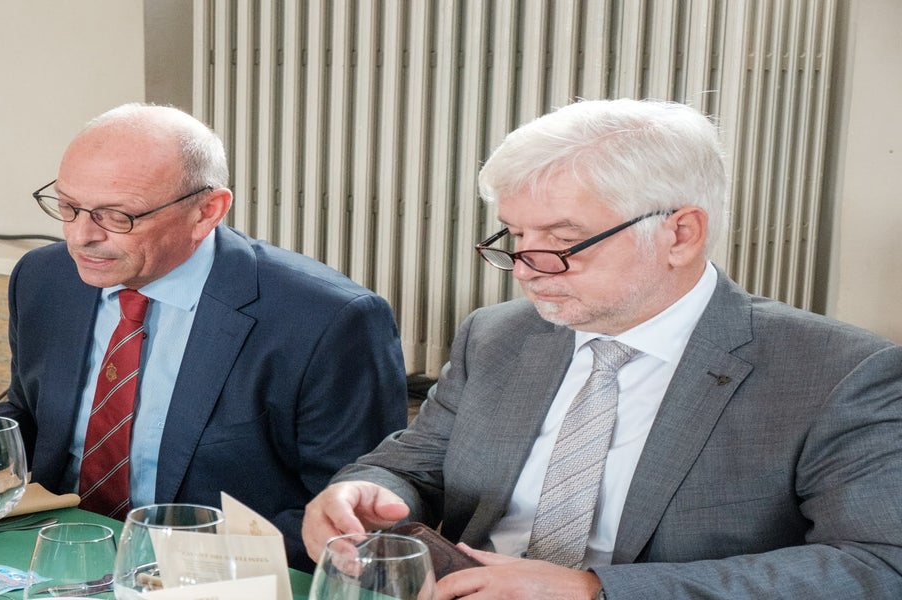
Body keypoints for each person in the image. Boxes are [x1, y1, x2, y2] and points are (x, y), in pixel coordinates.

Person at [302, 98, 902, 599]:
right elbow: (412, 466)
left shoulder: (839, 373)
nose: (525, 269)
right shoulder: (498, 335)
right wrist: (368, 492)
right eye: (516, 235)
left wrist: (594, 590)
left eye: (562, 241)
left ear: (680, 234)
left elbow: (877, 565)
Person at [0, 103, 409, 569]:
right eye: (68, 207)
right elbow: (32, 407)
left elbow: (351, 512)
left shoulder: (328, 320)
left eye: (117, 216)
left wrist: (176, 563)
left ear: (207, 211)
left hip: (210, 573)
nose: (80, 237)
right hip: (52, 544)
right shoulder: (45, 279)